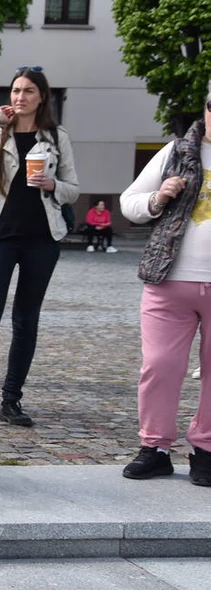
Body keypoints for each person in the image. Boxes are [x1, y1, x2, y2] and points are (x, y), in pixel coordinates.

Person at [0, 67, 79, 427]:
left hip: (41, 238)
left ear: (42, 97)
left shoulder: (56, 137)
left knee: (26, 322)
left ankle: (11, 401)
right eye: (16, 90)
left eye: (28, 91)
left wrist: (53, 185)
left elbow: (73, 187)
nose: (20, 97)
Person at [118, 96, 211, 487]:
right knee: (159, 366)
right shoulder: (177, 151)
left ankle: (206, 449)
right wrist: (158, 198)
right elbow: (129, 203)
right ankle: (154, 448)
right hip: (169, 277)